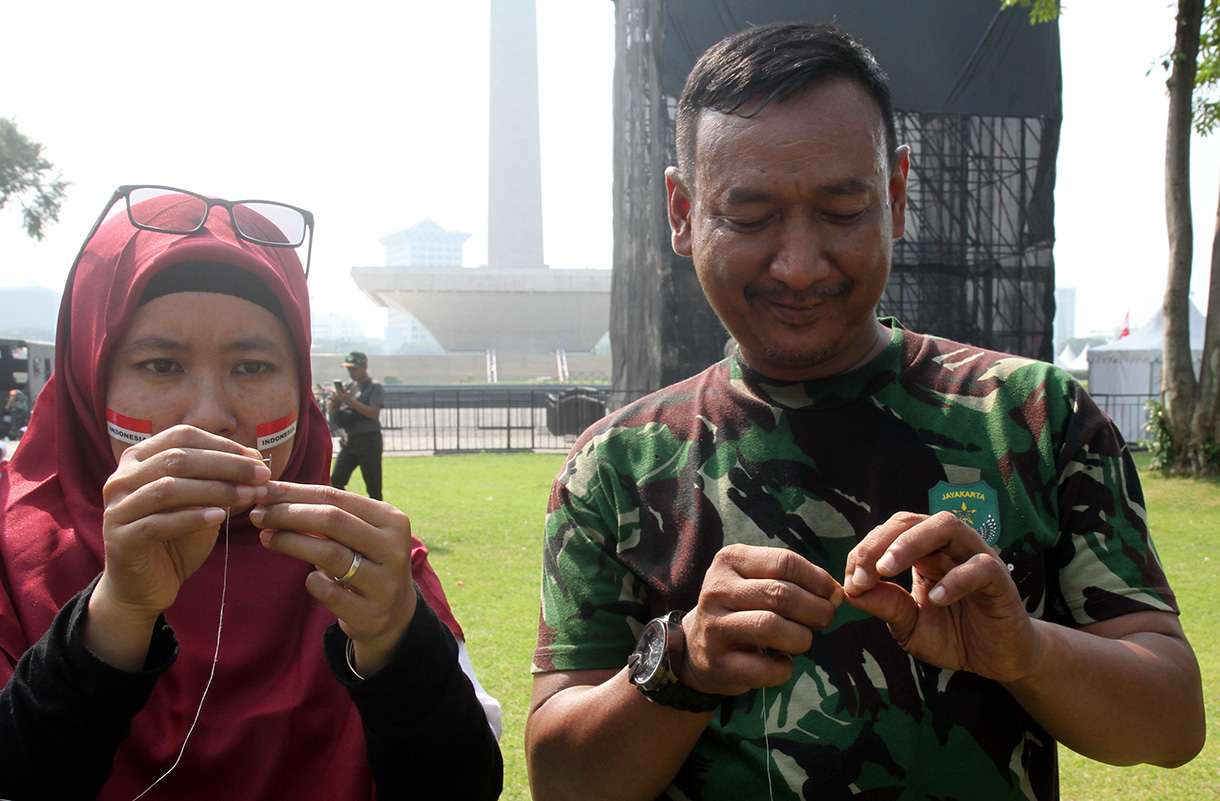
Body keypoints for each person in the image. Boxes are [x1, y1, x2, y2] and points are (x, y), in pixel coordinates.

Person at [526, 22, 1205, 801]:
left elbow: (1172, 720)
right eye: (749, 216)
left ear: (896, 195)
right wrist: (680, 664)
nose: (799, 263)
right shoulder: (617, 466)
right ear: (682, 211)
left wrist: (1026, 651)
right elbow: (561, 780)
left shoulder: (1037, 420)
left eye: (843, 209)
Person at [0, 185, 502, 800]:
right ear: (88, 379)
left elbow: (462, 786)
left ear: (299, 384)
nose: (211, 416)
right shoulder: (12, 554)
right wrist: (116, 615)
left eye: (252, 368)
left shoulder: (364, 563)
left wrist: (397, 641)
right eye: (161, 365)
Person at [330, 351, 385, 501]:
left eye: (354, 368)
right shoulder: (350, 386)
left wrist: (349, 400)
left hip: (369, 440)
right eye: (348, 368)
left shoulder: (374, 387)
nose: (351, 372)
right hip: (350, 440)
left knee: (373, 487)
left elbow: (374, 413)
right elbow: (335, 411)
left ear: (364, 366)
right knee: (335, 481)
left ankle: (379, 520)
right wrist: (336, 401)